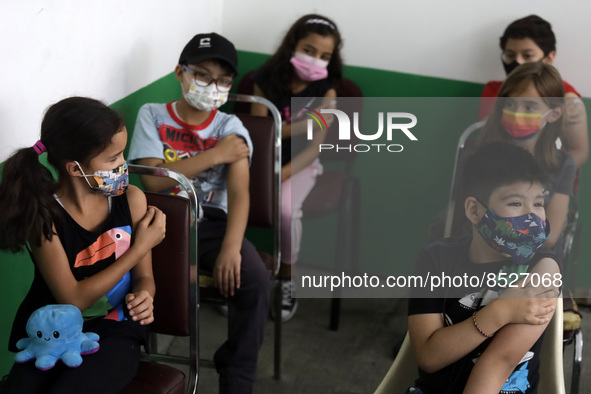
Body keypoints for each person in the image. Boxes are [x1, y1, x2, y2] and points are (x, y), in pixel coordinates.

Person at [128, 32, 270, 393]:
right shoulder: (153, 115)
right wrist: (215, 156)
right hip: (160, 219)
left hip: (211, 223)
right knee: (133, 278)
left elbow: (239, 193)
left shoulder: (230, 127)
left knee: (253, 279)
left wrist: (231, 248)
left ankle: (236, 375)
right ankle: (132, 360)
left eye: (223, 80)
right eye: (203, 74)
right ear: (180, 72)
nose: (213, 86)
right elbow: (155, 182)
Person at [0, 97, 166, 394]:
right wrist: (140, 247)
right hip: (51, 331)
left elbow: (145, 278)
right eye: (114, 158)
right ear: (75, 169)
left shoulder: (132, 200)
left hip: (116, 327)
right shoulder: (44, 216)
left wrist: (145, 294)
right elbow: (73, 298)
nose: (124, 164)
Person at [407, 141, 560, 394]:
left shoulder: (542, 268)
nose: (532, 217)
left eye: (538, 203)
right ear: (475, 210)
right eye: (515, 203)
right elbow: (428, 357)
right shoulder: (435, 259)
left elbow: (499, 363)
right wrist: (500, 311)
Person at [250, 14, 343, 321]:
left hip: (302, 165)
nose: (316, 60)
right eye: (309, 49)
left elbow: (316, 146)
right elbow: (261, 132)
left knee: (287, 210)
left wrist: (282, 175)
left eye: (325, 56)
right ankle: (236, 278)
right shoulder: (263, 79)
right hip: (259, 160)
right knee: (225, 201)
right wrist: (306, 123)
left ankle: (287, 280)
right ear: (293, 45)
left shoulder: (327, 91)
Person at [479, 62, 576, 254]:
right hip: (484, 255)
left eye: (529, 108)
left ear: (554, 114)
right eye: (510, 104)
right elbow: (466, 219)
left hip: (536, 263)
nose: (516, 113)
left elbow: (551, 236)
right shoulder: (484, 156)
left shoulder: (563, 163)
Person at [479, 14, 588, 168]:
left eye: (527, 55)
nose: (518, 62)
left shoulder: (567, 97)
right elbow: (488, 136)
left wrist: (551, 176)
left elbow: (579, 150)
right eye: (510, 55)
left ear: (549, 58)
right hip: (501, 172)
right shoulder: (494, 90)